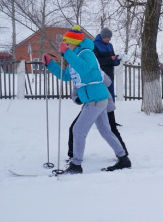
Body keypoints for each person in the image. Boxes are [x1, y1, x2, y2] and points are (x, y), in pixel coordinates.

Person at [42, 25, 130, 174]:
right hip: (95, 98)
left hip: (95, 98)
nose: (65, 46)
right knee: (105, 131)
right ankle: (123, 159)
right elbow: (66, 76)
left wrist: (68, 53)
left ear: (75, 43)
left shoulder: (86, 53)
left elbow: (84, 68)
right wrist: (50, 64)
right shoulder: (75, 57)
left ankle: (76, 165)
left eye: (67, 44)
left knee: (78, 130)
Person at [68, 72, 128, 160]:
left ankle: (123, 154)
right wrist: (77, 99)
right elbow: (75, 92)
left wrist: (98, 72)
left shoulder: (94, 68)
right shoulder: (77, 73)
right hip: (90, 104)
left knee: (110, 130)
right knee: (75, 128)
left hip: (104, 103)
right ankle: (72, 155)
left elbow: (108, 82)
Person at [94, 27, 121, 100]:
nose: (110, 39)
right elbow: (96, 61)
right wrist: (110, 59)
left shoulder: (110, 45)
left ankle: (111, 111)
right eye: (108, 37)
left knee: (111, 98)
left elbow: (112, 59)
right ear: (103, 37)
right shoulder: (95, 45)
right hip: (101, 77)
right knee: (102, 98)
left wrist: (116, 60)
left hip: (110, 76)